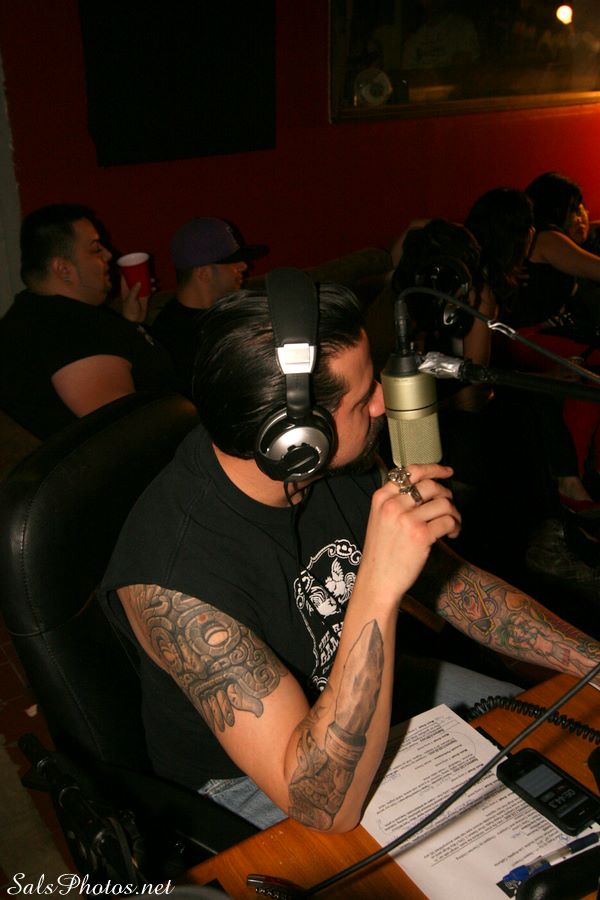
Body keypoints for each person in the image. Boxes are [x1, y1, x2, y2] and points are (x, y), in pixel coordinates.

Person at [100, 277, 600, 834]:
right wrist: (379, 586)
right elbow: (322, 806)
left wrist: (593, 661)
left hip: (361, 683)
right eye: (363, 399)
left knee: (561, 741)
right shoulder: (171, 581)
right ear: (293, 437)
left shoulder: (331, 462)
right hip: (251, 778)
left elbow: (459, 588)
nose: (384, 403)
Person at [0, 203, 177, 439]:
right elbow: (125, 429)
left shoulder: (34, 313)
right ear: (63, 269)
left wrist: (131, 322)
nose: (108, 255)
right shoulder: (68, 324)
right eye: (95, 249)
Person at [150, 217, 267, 395]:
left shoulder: (232, 310)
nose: (244, 266)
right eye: (232, 261)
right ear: (204, 273)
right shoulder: (172, 339)